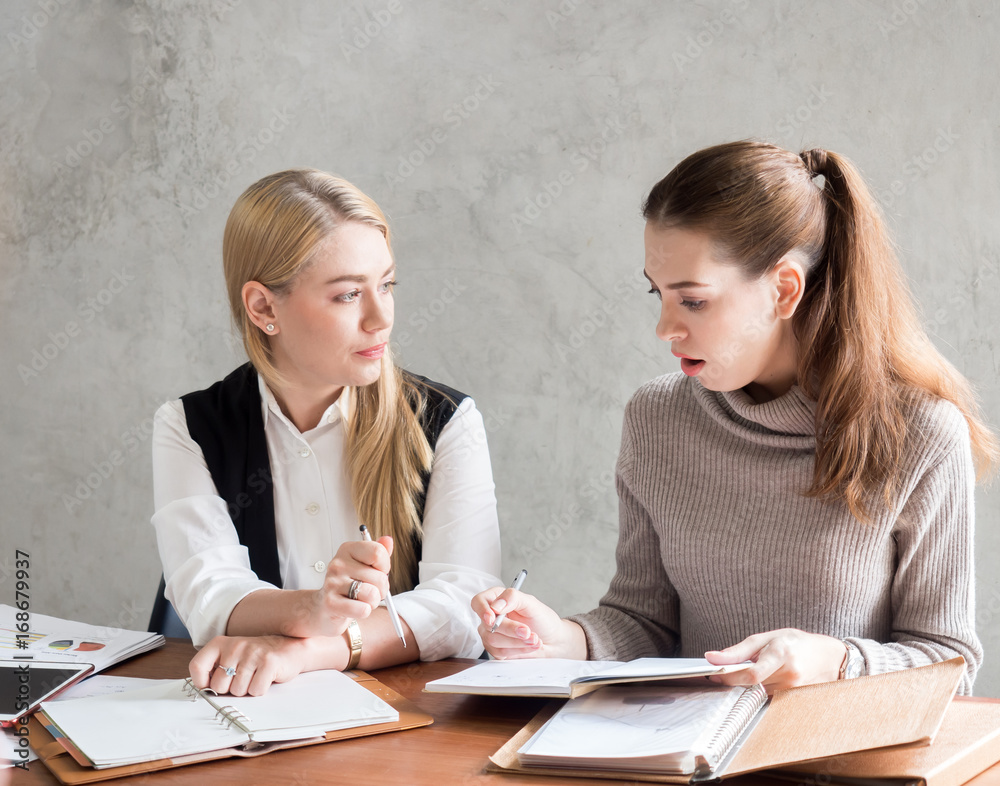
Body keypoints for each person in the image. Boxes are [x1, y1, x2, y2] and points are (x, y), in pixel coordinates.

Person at [474, 140, 995, 695]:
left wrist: (836, 661)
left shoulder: (922, 434)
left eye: (693, 300)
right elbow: (643, 620)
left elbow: (950, 664)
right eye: (659, 295)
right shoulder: (657, 417)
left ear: (783, 289)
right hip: (691, 763)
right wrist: (561, 640)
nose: (664, 329)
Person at [152, 169, 502, 696]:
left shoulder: (446, 419)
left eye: (386, 285)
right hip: (246, 712)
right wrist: (314, 608)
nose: (381, 317)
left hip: (405, 721)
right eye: (347, 296)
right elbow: (208, 593)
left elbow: (461, 603)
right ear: (264, 307)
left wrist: (309, 650)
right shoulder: (190, 426)